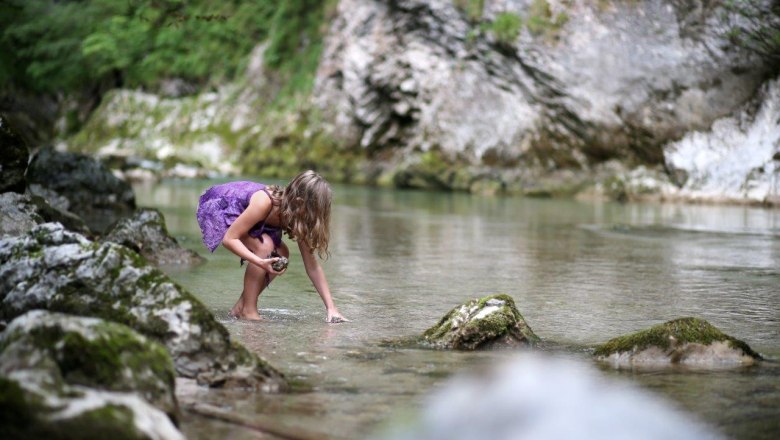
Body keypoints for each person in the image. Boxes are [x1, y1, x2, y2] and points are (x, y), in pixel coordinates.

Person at [196, 170, 348, 323]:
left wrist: (331, 308)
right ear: (300, 203)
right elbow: (230, 239)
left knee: (282, 253)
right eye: (314, 213)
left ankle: (240, 307)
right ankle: (249, 310)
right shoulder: (264, 202)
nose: (314, 219)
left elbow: (313, 267)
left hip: (254, 219)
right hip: (224, 206)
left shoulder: (298, 216)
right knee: (265, 246)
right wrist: (259, 261)